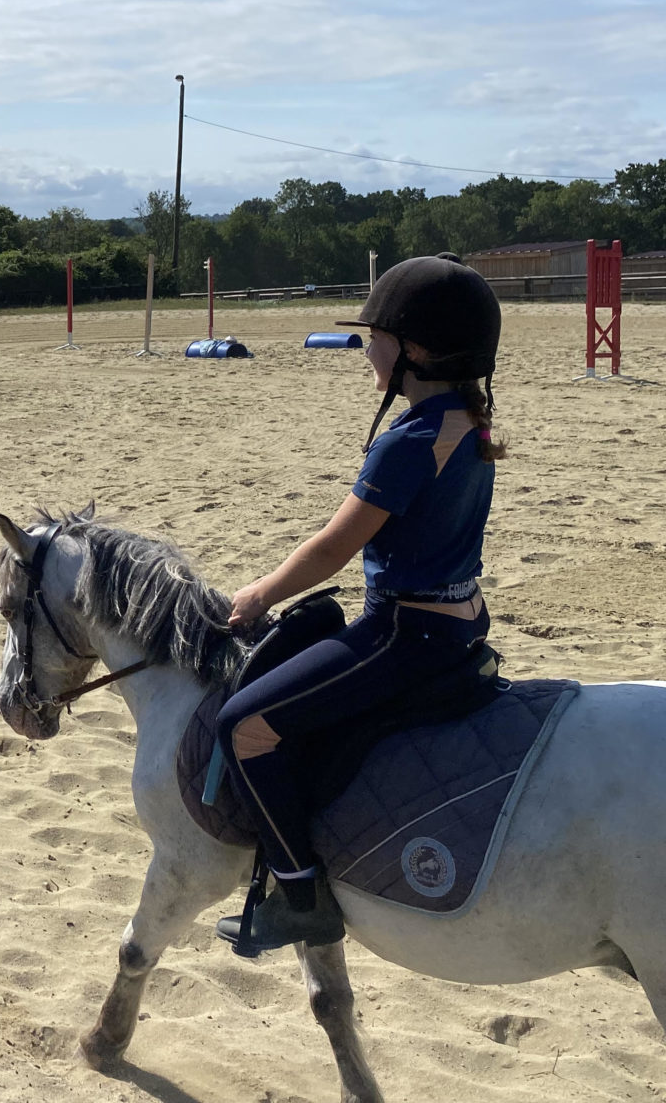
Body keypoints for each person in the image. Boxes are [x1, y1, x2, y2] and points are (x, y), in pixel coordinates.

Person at [213, 253, 503, 953]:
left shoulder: (407, 443)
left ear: (415, 351)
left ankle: (301, 894)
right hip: (465, 621)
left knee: (244, 726)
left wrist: (258, 593)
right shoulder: (471, 419)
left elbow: (329, 551)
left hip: (406, 634)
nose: (366, 348)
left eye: (376, 336)